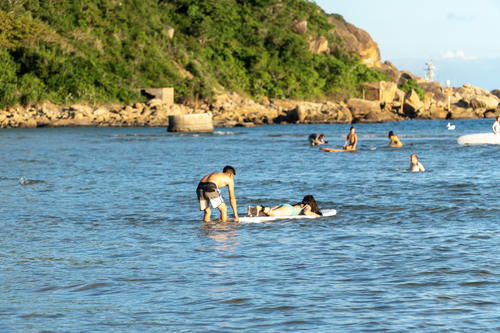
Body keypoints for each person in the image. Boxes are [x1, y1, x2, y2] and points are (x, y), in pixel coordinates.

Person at [247, 195, 322, 217]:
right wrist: (317, 215)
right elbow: (306, 213)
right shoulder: (307, 206)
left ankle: (252, 209)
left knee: (269, 214)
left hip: (286, 206)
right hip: (290, 210)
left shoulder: (300, 204)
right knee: (272, 213)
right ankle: (260, 207)